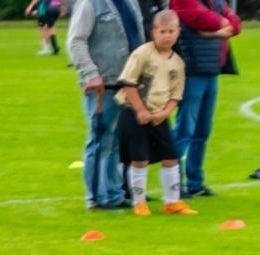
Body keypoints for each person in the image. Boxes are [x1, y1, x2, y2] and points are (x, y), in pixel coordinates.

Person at [67, 0, 144, 211]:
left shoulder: (130, 2)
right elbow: (76, 41)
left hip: (127, 84)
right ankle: (97, 197)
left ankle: (113, 193)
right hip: (103, 84)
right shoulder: (90, 3)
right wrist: (90, 74)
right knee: (100, 140)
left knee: (116, 141)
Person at [117, 10, 194, 217]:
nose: (167, 35)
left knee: (171, 158)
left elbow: (176, 95)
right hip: (134, 112)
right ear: (154, 33)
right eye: (163, 31)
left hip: (159, 116)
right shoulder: (142, 53)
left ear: (178, 32)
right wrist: (140, 110)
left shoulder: (177, 62)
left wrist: (165, 112)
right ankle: (139, 202)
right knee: (139, 159)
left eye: (171, 31)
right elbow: (128, 83)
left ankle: (172, 202)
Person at [170, 0, 239, 198]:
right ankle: (175, 183)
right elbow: (203, 18)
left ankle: (195, 182)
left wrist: (218, 30)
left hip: (211, 70)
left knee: (202, 131)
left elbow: (236, 24)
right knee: (185, 130)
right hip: (191, 70)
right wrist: (222, 26)